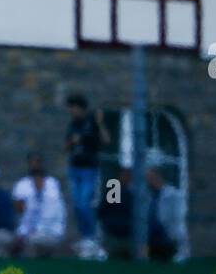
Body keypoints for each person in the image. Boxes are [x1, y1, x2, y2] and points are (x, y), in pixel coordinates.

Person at [64, 94, 109, 247]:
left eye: (73, 108)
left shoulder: (92, 121)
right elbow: (66, 147)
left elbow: (106, 140)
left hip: (89, 169)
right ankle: (84, 237)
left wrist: (100, 123)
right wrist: (72, 141)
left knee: (85, 203)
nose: (71, 111)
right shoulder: (73, 124)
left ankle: (92, 236)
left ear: (80, 107)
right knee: (77, 205)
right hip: (75, 167)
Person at [14, 153, 66, 256]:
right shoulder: (22, 185)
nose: (34, 165)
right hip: (28, 231)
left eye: (37, 162)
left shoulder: (53, 184)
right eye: (32, 162)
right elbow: (20, 212)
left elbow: (56, 212)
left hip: (50, 232)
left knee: (31, 241)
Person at [144, 162, 188, 262]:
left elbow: (177, 219)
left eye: (149, 176)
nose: (147, 180)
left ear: (157, 176)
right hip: (150, 241)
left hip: (168, 240)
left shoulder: (174, 195)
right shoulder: (147, 197)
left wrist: (172, 238)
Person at [97, 166, 135, 260]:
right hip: (114, 234)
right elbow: (104, 209)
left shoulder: (135, 191)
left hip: (130, 235)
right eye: (125, 174)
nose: (126, 177)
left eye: (129, 175)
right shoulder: (115, 189)